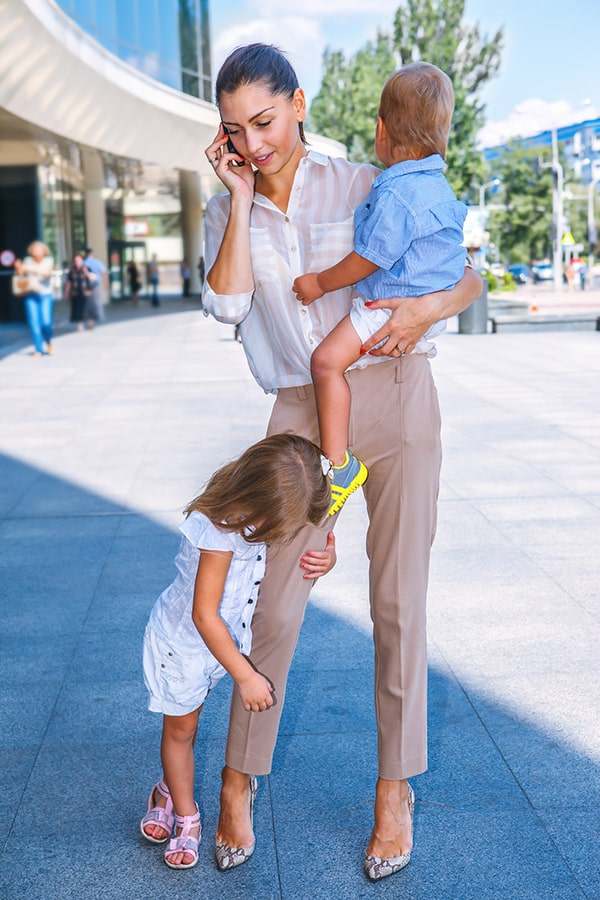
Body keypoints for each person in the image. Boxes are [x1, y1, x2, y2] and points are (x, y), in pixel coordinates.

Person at [203, 43, 481, 882]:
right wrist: (242, 200)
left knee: (399, 603)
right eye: (234, 131)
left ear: (296, 104)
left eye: (265, 121)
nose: (254, 143)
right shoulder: (229, 207)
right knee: (276, 607)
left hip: (395, 391)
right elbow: (226, 305)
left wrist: (429, 307)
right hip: (298, 412)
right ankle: (238, 777)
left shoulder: (364, 179)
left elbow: (466, 272)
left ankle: (395, 790)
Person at [140, 433, 336, 870]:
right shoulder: (218, 530)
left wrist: (328, 559)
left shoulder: (255, 514)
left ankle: (168, 788)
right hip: (185, 647)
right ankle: (185, 815)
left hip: (218, 645)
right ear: (255, 497)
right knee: (182, 730)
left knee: (190, 723)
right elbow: (204, 615)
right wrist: (246, 676)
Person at [292, 63, 467, 516]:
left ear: (380, 129)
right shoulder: (437, 188)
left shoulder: (396, 192)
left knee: (325, 363)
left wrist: (318, 282)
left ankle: (339, 466)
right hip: (425, 311)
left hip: (386, 305)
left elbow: (367, 258)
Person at [13, 241, 54, 356]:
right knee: (34, 323)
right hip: (31, 294)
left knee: (46, 322)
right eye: (34, 250)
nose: (36, 252)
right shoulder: (27, 261)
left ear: (43, 251)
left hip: (45, 294)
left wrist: (28, 268)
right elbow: (21, 274)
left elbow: (46, 273)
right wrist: (18, 268)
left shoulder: (48, 261)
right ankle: (38, 349)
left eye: (39, 249)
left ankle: (48, 342)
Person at [64, 253, 96, 330]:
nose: (77, 262)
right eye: (75, 260)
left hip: (87, 292)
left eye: (79, 260)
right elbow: (69, 283)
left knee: (88, 308)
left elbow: (93, 278)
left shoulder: (87, 268)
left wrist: (86, 272)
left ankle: (90, 322)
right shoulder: (72, 270)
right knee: (78, 309)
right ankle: (80, 324)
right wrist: (66, 293)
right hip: (76, 292)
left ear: (82, 260)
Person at [83, 247, 108, 322]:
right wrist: (105, 283)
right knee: (97, 301)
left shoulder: (84, 263)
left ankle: (90, 319)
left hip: (87, 284)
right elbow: (103, 273)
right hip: (96, 283)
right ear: (92, 254)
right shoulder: (97, 262)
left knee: (88, 301)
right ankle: (98, 316)